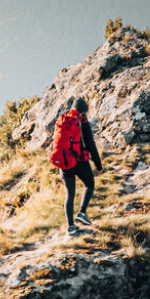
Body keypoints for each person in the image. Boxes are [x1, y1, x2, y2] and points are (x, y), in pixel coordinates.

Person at [61, 97, 103, 237]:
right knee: (89, 184)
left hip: (64, 162)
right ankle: (82, 213)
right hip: (79, 161)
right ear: (83, 111)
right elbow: (91, 146)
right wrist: (98, 165)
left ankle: (70, 227)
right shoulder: (82, 122)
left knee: (70, 194)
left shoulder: (64, 119)